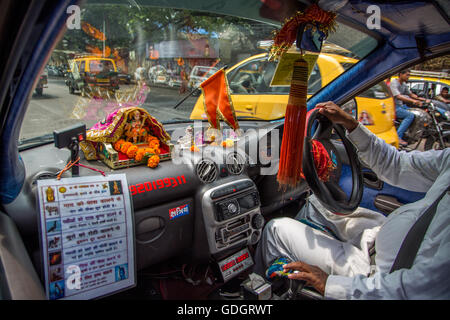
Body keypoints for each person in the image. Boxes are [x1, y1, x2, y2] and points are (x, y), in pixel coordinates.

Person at [254, 101, 450, 299]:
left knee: (276, 230)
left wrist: (329, 284)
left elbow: (416, 291)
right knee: (315, 205)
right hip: (377, 238)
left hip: (377, 275)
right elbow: (396, 164)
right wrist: (352, 125)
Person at [389, 70, 429, 147]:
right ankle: (398, 136)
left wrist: (423, 100)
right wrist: (414, 101)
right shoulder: (394, 83)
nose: (408, 77)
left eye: (409, 75)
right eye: (407, 75)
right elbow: (398, 96)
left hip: (401, 106)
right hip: (393, 107)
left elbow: (411, 94)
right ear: (400, 74)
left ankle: (409, 134)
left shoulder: (403, 84)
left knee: (416, 113)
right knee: (410, 115)